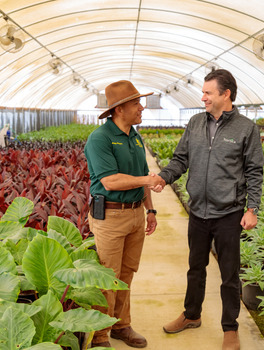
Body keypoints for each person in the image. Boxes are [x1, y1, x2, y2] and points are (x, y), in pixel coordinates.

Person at [153, 69, 264, 350]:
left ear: (225, 95)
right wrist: (164, 177)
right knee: (195, 267)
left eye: (208, 93)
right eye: (202, 92)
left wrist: (252, 208)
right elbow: (180, 159)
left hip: (228, 213)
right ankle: (192, 315)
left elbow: (254, 171)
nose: (202, 97)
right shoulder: (195, 124)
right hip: (198, 211)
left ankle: (230, 328)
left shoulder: (245, 129)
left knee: (229, 274)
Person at [84, 80, 161, 348]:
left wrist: (150, 209)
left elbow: (143, 176)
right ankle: (100, 335)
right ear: (119, 109)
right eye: (136, 104)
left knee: (126, 273)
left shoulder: (134, 136)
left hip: (135, 215)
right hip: (110, 217)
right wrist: (147, 181)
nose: (142, 108)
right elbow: (110, 181)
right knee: (107, 277)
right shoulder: (100, 139)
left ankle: (121, 325)